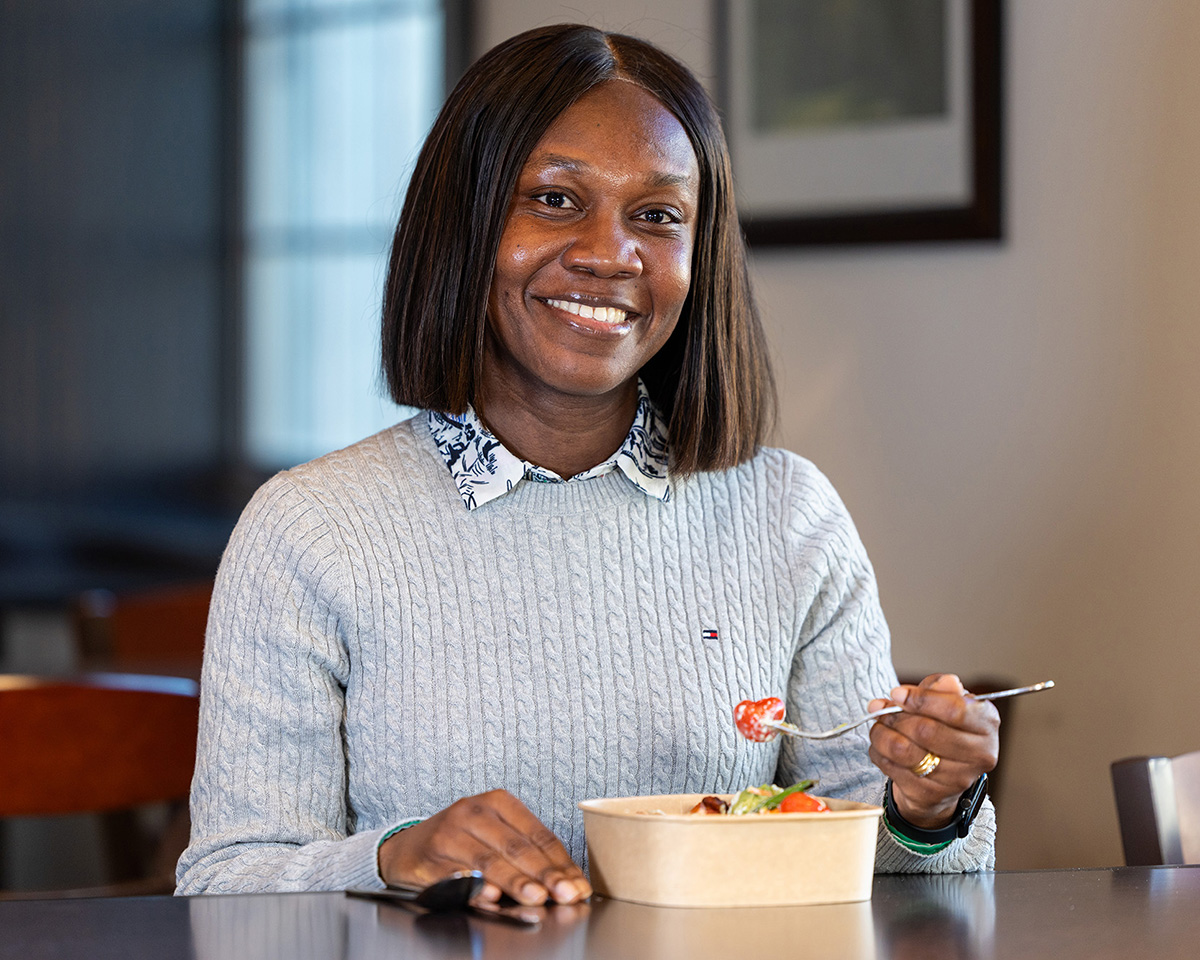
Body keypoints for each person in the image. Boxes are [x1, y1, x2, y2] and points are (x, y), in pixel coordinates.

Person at [176, 23, 998, 904]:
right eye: (555, 199)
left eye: (657, 216)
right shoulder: (310, 530)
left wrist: (928, 805)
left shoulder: (788, 512)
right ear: (461, 224)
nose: (612, 255)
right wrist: (397, 857)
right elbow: (229, 880)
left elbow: (874, 850)